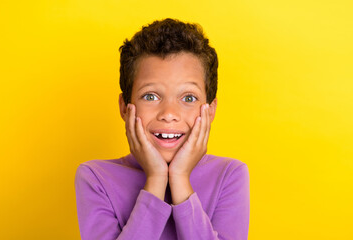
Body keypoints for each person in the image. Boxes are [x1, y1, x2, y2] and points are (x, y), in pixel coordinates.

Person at [74, 18, 250, 240]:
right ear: (124, 108)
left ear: (210, 110)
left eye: (188, 97)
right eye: (150, 96)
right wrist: (156, 179)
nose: (168, 113)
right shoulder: (95, 178)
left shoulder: (229, 175)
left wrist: (180, 178)